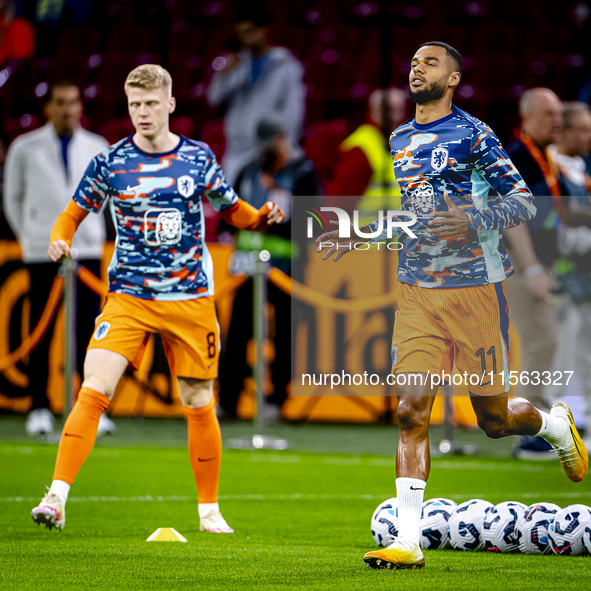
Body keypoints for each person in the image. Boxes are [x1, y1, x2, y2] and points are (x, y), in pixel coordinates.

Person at [317, 42, 588, 571]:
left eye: (430, 62)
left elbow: (523, 201)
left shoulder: (474, 134)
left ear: (454, 77)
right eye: (414, 62)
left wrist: (470, 219)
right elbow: (414, 215)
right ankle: (409, 542)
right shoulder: (399, 137)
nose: (417, 67)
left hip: (476, 292)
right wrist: (360, 235)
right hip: (417, 293)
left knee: (491, 419)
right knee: (409, 410)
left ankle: (554, 424)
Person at [29, 64, 284, 533]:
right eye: (134, 105)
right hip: (129, 295)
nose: (142, 113)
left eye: (150, 104)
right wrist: (58, 237)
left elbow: (232, 210)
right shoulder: (110, 161)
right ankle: (56, 496)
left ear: (169, 104)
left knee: (198, 399)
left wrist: (262, 217)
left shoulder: (199, 157)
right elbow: (72, 212)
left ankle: (209, 511)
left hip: (190, 299)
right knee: (94, 387)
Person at [3, 81, 114, 437]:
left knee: (90, 332)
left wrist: (98, 233)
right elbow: (12, 197)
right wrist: (31, 236)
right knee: (40, 330)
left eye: (74, 101)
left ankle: (92, 409)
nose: (68, 108)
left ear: (81, 106)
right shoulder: (25, 146)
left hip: (88, 249)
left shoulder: (99, 147)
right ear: (48, 107)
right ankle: (38, 406)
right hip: (42, 250)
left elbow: (112, 201)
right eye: (61, 102)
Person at [217, 119, 321, 420]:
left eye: (271, 141)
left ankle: (276, 400)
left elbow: (314, 220)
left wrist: (276, 227)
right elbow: (230, 212)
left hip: (286, 267)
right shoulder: (248, 170)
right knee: (237, 333)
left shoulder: (303, 173)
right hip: (247, 266)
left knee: (284, 336)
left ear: (284, 137)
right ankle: (229, 400)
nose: (266, 147)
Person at [504, 88, 563, 459]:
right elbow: (512, 217)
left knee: (545, 341)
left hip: (535, 265)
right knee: (542, 341)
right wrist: (533, 267)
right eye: (547, 114)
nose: (555, 121)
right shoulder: (517, 157)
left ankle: (536, 417)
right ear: (526, 117)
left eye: (557, 114)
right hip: (518, 263)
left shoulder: (542, 155)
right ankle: (525, 431)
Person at [207, 2, 305, 185]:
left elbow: (294, 113)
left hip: (268, 152)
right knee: (235, 209)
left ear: (264, 29)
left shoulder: (286, 65)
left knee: (265, 210)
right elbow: (213, 98)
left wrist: (285, 150)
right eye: (242, 33)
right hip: (236, 150)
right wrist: (223, 74)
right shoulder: (236, 64)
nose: (247, 38)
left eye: (251, 31)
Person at [546, 102, 591, 448]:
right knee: (557, 346)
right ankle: (549, 421)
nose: (589, 137)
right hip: (558, 272)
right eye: (584, 129)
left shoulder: (581, 168)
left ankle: (581, 417)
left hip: (584, 271)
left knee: (584, 347)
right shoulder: (547, 166)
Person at [326, 87, 407, 216]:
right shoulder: (360, 148)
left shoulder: (398, 143)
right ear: (375, 111)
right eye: (389, 110)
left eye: (400, 110)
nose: (396, 117)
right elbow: (340, 203)